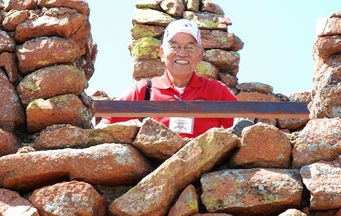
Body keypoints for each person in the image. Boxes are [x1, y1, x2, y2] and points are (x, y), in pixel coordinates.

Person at [97, 19, 238, 138]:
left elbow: (241, 128)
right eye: (174, 46)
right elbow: (104, 127)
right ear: (162, 53)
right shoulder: (142, 91)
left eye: (190, 47)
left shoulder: (217, 91)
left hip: (205, 169)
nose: (182, 53)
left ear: (200, 54)